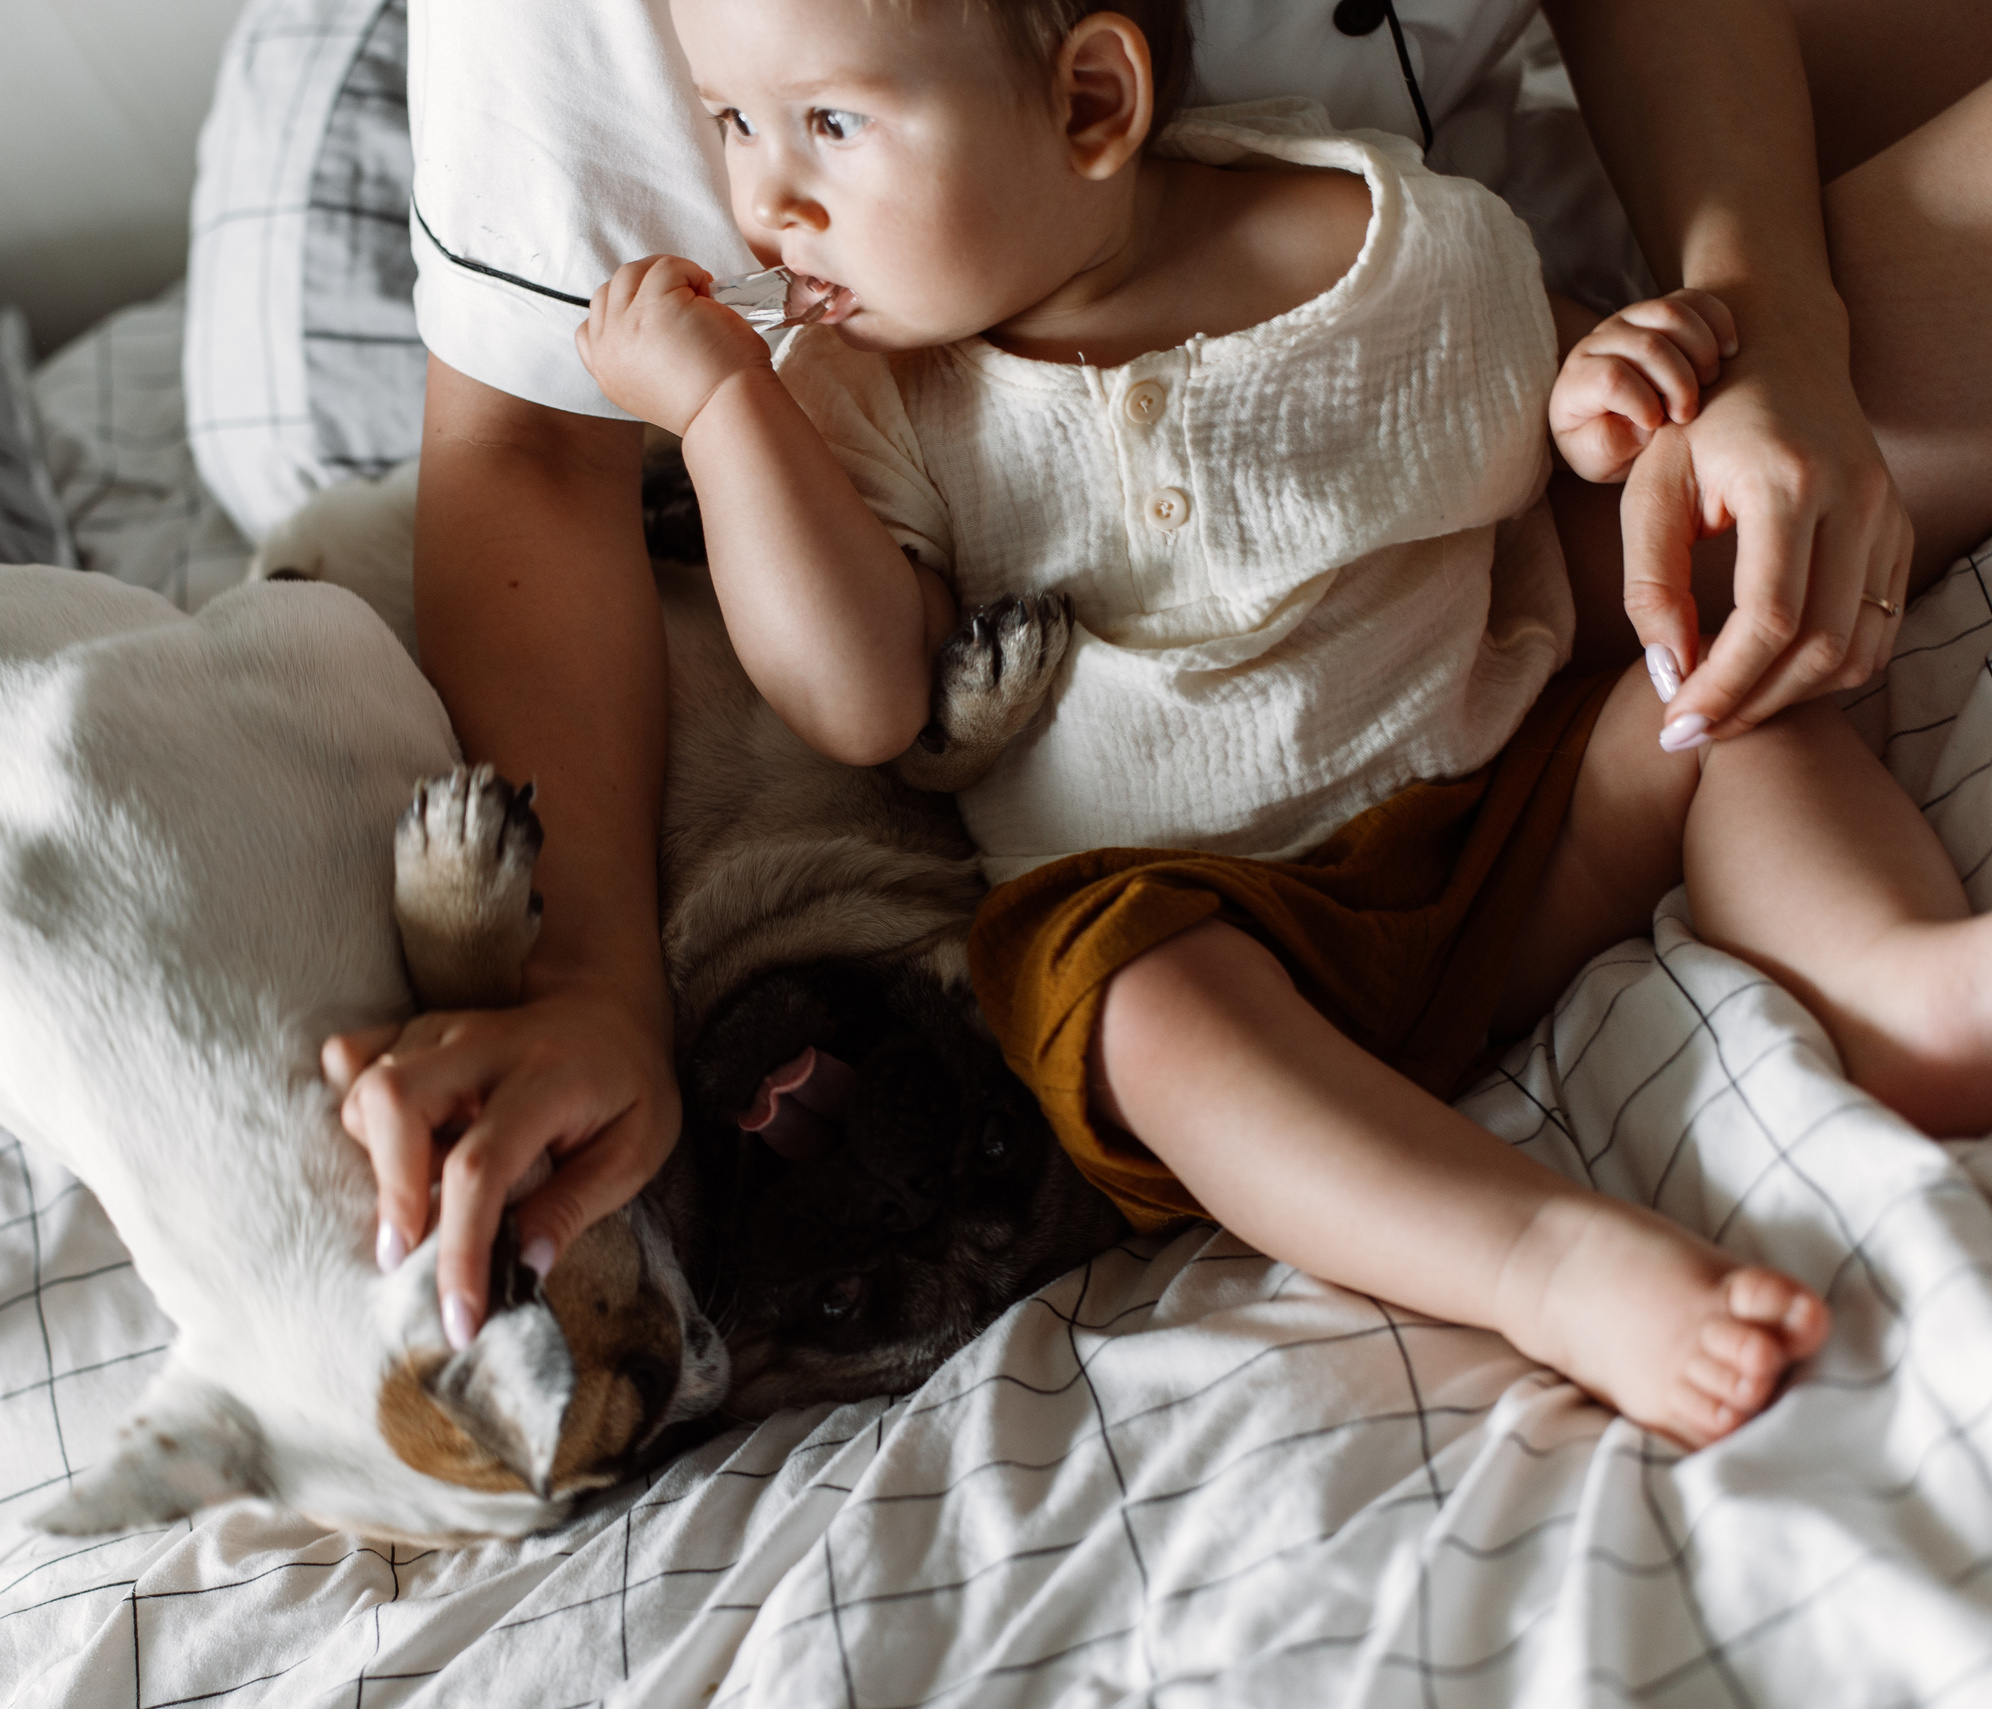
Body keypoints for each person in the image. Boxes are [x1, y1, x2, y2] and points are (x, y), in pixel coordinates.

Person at [334, 0, 1992, 1362]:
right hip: (1205, 910)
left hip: (1512, 820)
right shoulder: (864, 402)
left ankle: (1905, 985)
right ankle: (1549, 1268)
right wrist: (721, 421)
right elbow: (852, 686)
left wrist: (1682, 376)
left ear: (1094, 100)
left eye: (824, 129)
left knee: (1713, 693)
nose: (764, 206)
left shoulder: (1370, 223)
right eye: (726, 129)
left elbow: (1521, 379)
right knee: (1121, 997)